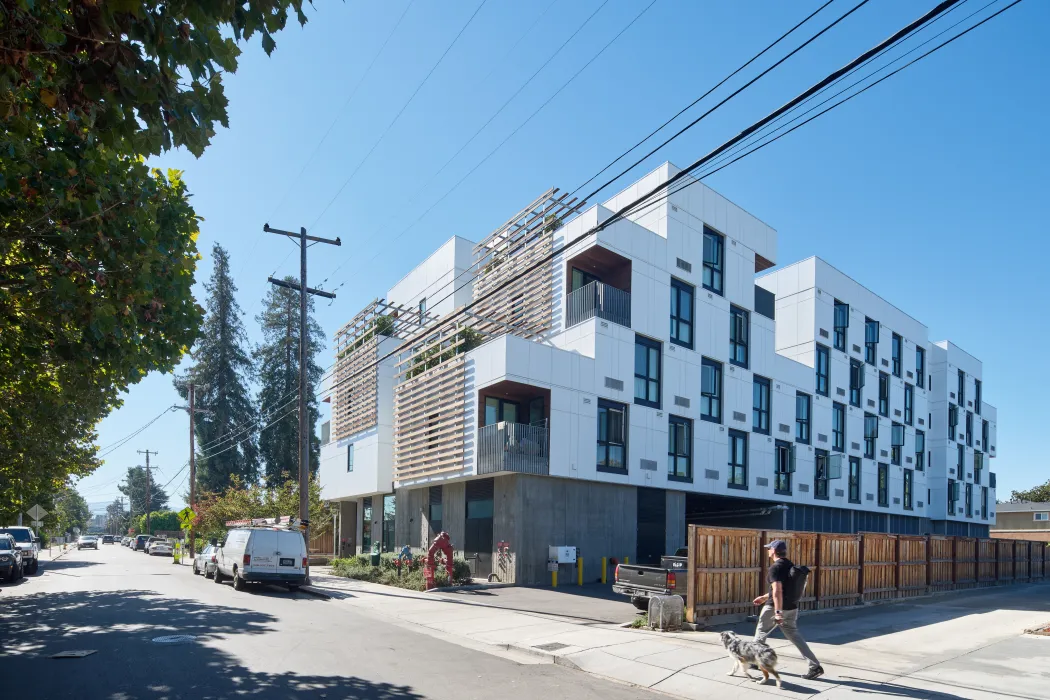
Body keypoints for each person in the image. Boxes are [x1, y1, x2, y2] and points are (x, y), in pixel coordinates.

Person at [752, 539, 824, 680]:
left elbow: (778, 591)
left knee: (761, 633)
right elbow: (784, 589)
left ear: (773, 551)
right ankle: (814, 666)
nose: (767, 551)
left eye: (769, 548)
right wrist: (765, 597)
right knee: (794, 636)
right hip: (792, 608)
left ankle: (755, 660)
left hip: (775, 608)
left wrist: (778, 612)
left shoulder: (775, 568)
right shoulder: (790, 565)